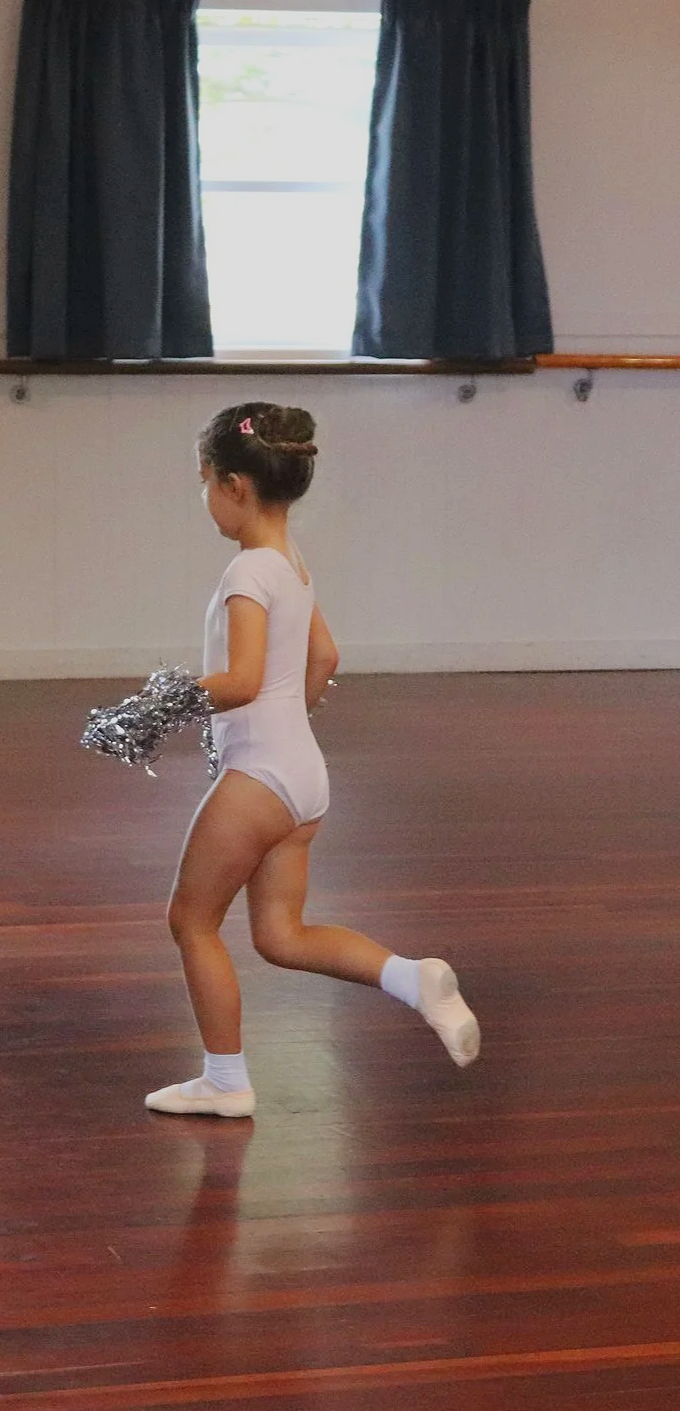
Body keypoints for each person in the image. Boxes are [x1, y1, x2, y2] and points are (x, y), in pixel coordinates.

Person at [146, 402, 480, 1119]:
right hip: (302, 776)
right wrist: (285, 715)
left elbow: (237, 680)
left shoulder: (245, 575)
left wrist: (158, 703)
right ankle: (410, 978)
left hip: (261, 776)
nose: (204, 496)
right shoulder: (291, 566)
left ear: (234, 486)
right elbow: (323, 656)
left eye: (204, 481)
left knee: (191, 921)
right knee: (280, 934)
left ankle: (224, 1079)